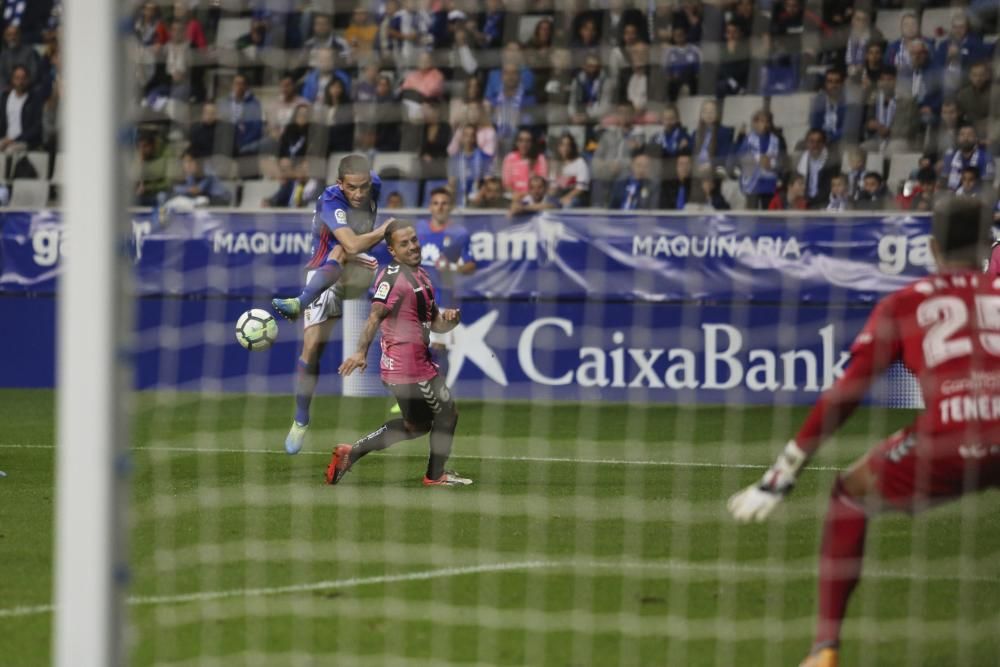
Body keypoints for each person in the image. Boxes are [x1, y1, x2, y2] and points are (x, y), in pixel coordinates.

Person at [728, 197, 1000, 667]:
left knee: (850, 493)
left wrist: (782, 474)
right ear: (986, 248)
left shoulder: (907, 302)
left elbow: (845, 396)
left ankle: (824, 648)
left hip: (953, 436)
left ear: (933, 248)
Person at [329, 218, 473, 487]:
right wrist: (360, 352)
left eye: (414, 240)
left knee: (415, 426)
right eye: (404, 244)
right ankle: (435, 476)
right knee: (448, 414)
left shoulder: (423, 275)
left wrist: (449, 321)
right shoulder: (393, 278)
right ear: (393, 251)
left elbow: (435, 322)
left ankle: (352, 452)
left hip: (412, 365)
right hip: (409, 367)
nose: (413, 247)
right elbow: (374, 316)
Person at [271, 155, 388, 454]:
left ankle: (298, 303)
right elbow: (351, 243)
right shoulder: (330, 201)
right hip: (323, 275)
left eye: (363, 187)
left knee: (349, 258)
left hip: (358, 270)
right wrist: (385, 230)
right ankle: (300, 420)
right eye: (353, 188)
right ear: (340, 184)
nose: (360, 194)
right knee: (311, 350)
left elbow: (351, 250)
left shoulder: (374, 182)